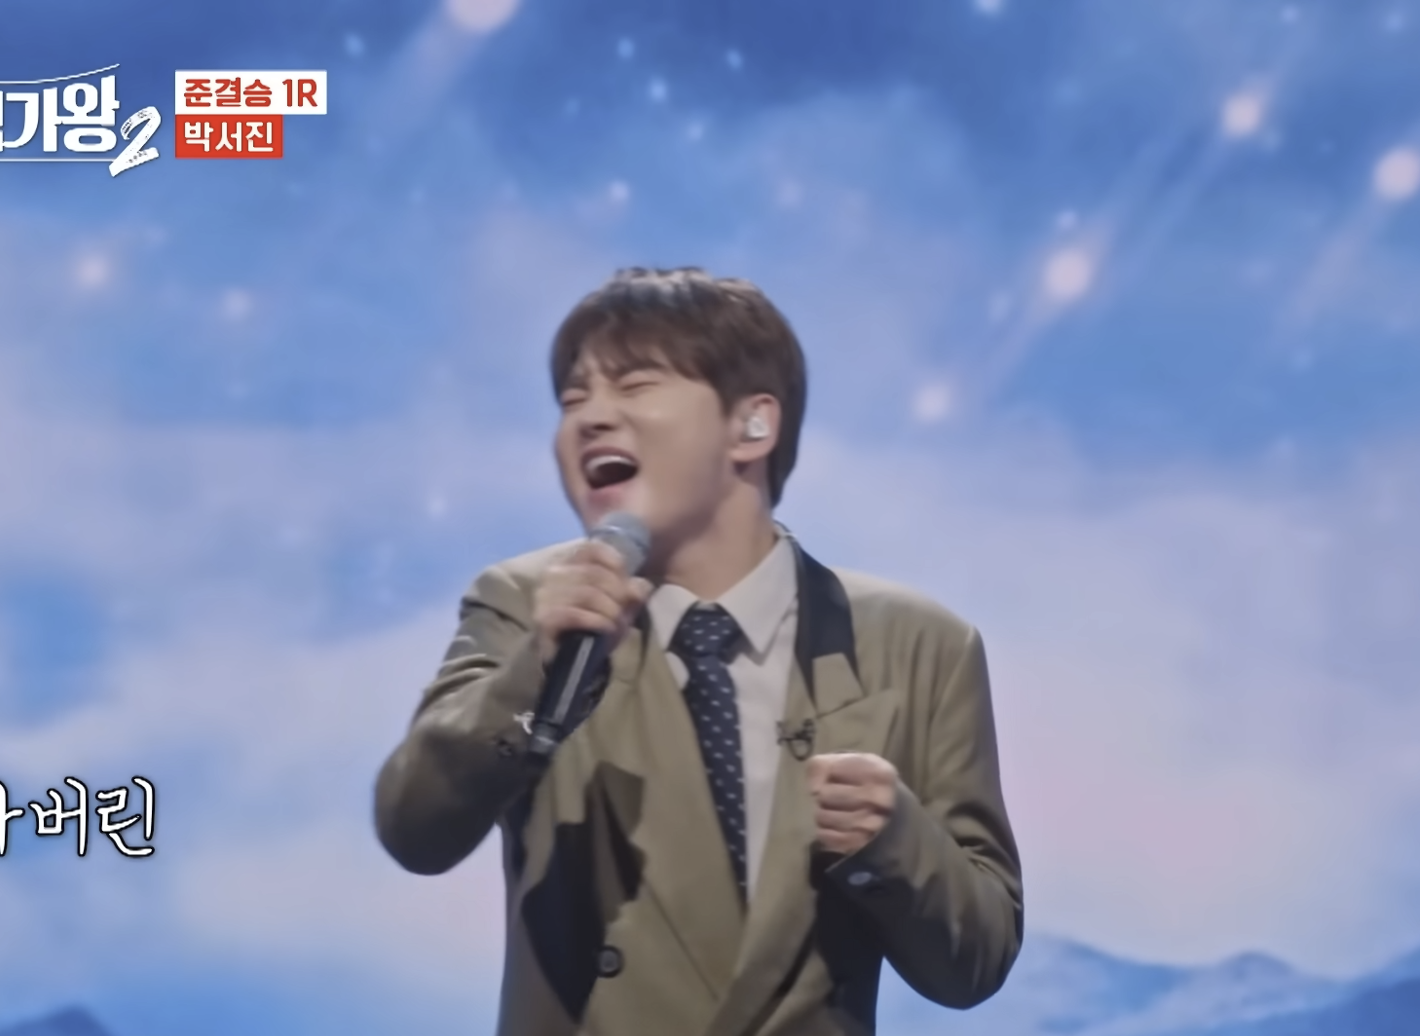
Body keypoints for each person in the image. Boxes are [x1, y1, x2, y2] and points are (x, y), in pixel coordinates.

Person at [373, 267, 1022, 1035]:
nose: (591, 418)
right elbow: (414, 827)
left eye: (634, 385)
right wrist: (533, 678)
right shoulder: (526, 606)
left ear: (752, 425)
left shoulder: (916, 644)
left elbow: (976, 961)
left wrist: (893, 841)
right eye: (573, 399)